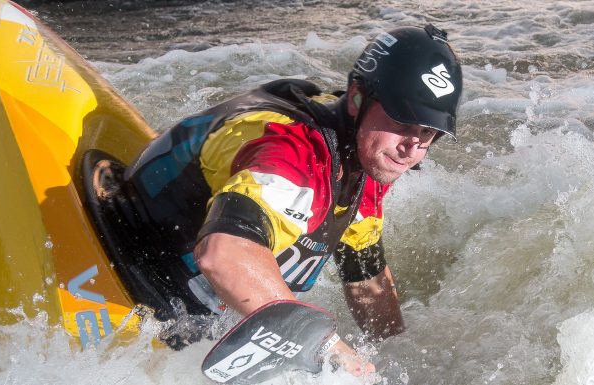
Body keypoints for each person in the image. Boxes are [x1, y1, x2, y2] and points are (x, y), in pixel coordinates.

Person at [86, 24, 462, 377]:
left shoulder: (371, 157)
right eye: (402, 122)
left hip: (192, 309)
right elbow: (222, 255)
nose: (413, 147)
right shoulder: (293, 157)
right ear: (357, 98)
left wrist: (395, 362)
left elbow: (366, 277)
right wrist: (330, 347)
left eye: (429, 131)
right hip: (124, 271)